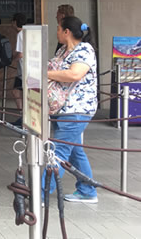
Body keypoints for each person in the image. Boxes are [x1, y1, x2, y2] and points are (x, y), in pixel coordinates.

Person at [44, 16, 98, 203]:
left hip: (77, 109)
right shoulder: (62, 51)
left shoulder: (85, 50)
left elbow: (75, 74)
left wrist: (46, 74)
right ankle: (87, 190)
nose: (57, 32)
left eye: (59, 29)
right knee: (75, 151)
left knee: (58, 151)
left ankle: (42, 192)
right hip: (63, 109)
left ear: (67, 32)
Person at [11, 13, 26, 126]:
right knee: (17, 91)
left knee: (19, 92)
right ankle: (23, 116)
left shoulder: (20, 34)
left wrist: (12, 60)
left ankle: (23, 117)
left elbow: (20, 53)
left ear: (15, 22)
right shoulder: (28, 32)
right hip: (26, 70)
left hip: (24, 71)